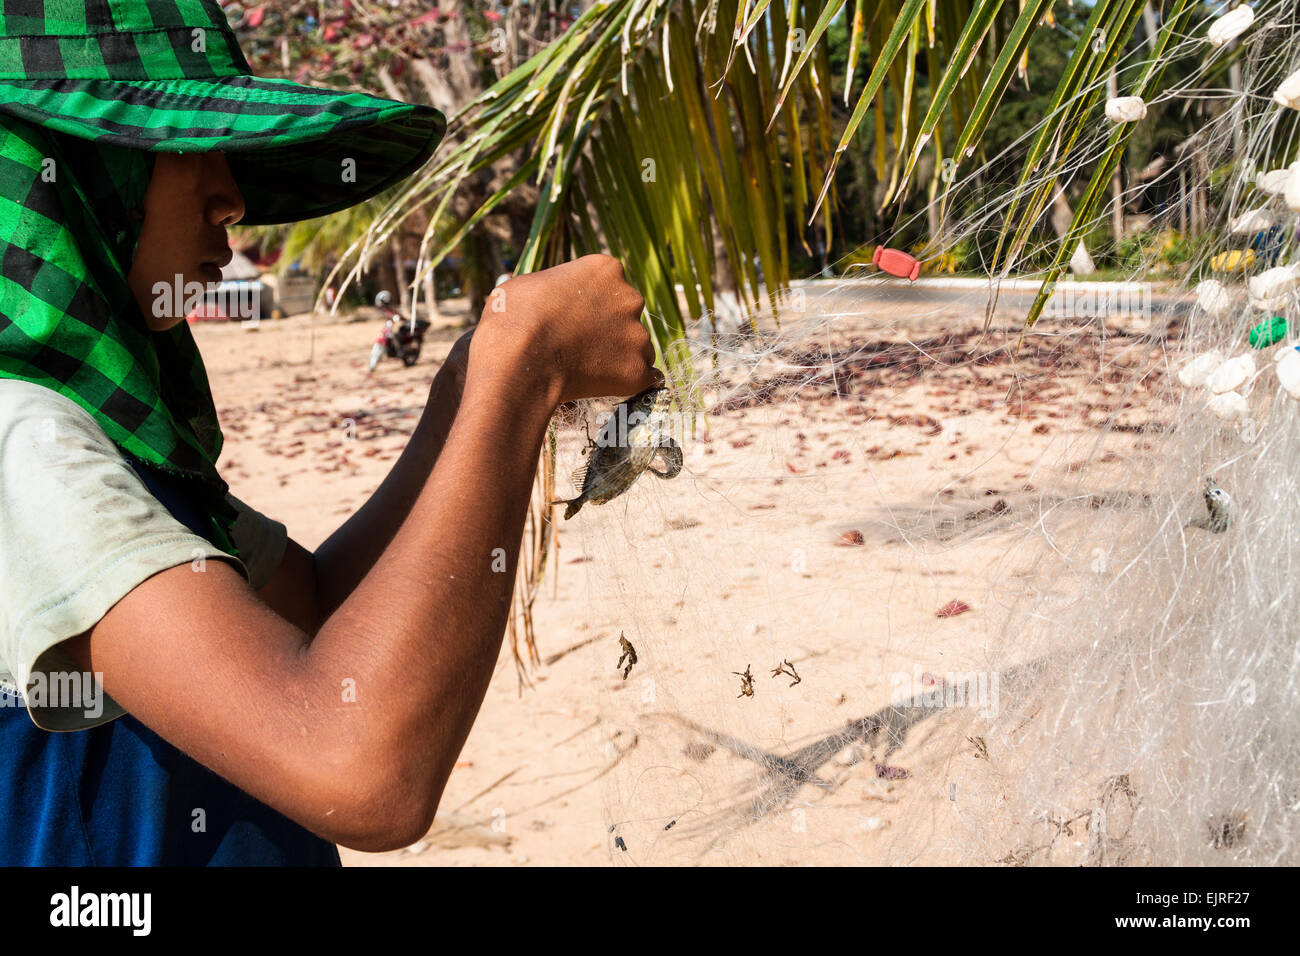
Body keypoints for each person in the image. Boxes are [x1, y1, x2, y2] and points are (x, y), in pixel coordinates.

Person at [0, 0, 658, 865]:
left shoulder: (115, 440)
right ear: (83, 170)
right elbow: (361, 775)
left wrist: (469, 389)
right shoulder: (27, 439)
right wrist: (523, 368)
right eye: (194, 148)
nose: (231, 197)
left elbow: (317, 610)